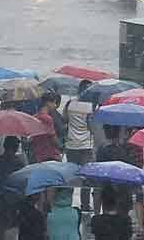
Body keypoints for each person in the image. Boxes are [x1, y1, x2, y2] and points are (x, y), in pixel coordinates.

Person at [0, 136, 27, 240]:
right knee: (11, 230)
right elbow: (23, 183)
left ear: (4, 146)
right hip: (12, 202)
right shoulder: (19, 164)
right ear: (17, 148)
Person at [63, 80, 95, 211]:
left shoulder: (70, 103)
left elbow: (65, 120)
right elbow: (91, 126)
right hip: (86, 146)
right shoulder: (90, 106)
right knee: (85, 178)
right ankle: (85, 205)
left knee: (71, 176)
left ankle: (67, 203)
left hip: (71, 145)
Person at [31, 92, 63, 163]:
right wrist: (61, 146)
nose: (55, 105)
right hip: (50, 154)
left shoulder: (34, 117)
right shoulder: (47, 119)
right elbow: (53, 138)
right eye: (54, 103)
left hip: (38, 154)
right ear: (48, 103)